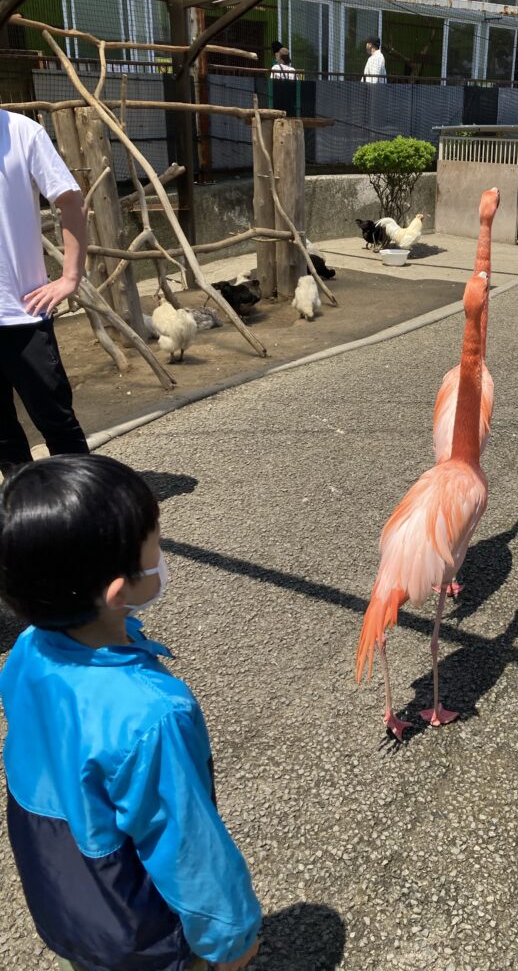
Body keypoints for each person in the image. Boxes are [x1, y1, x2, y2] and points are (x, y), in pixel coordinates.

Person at [0, 455, 263, 971]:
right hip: (138, 927)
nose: (161, 555)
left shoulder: (29, 648)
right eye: (156, 543)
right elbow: (186, 846)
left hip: (64, 895)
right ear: (119, 591)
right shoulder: (152, 714)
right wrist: (231, 940)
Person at [0, 109, 89, 479]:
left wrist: (71, 276)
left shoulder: (23, 132)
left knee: (56, 419)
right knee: (2, 436)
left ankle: (85, 502)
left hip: (21, 310)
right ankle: (24, 507)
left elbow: (70, 200)